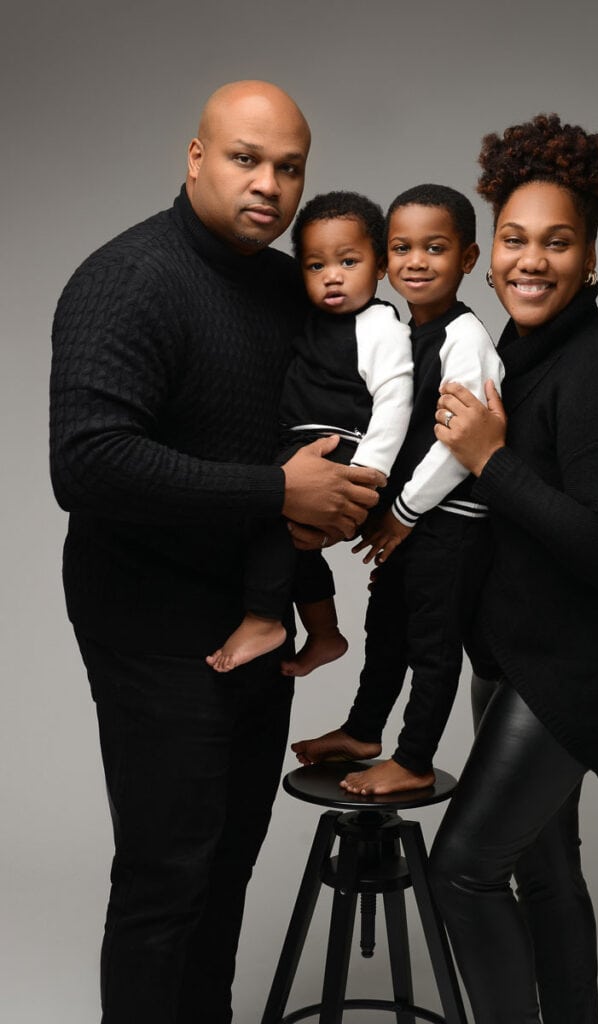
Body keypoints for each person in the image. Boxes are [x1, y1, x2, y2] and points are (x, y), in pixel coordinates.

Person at [49, 81, 385, 1024]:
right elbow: (86, 463)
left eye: (289, 167)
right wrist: (281, 489)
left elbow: (344, 409)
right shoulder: (128, 278)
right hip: (149, 619)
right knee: (170, 875)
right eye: (246, 159)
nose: (270, 186)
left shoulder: (291, 288)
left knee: (229, 866)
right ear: (195, 157)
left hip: (258, 612)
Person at [428, 114, 598, 1024]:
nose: (529, 261)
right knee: (543, 870)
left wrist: (491, 461)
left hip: (577, 669)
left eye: (556, 242)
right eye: (512, 239)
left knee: (460, 868)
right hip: (515, 657)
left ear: (587, 258)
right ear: (487, 252)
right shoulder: (513, 359)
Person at [292, 184, 504, 795]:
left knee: (433, 645)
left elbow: (460, 445)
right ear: (386, 260)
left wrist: (403, 512)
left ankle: (413, 759)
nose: (416, 262)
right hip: (413, 522)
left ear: (467, 259)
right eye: (402, 248)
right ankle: (364, 731)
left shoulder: (465, 337)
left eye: (434, 249)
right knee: (387, 628)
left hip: (451, 521)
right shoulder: (401, 331)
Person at [206, 191, 413, 675]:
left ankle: (263, 618)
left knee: (266, 514)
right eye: (316, 266)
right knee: (291, 541)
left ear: (380, 266)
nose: (333, 275)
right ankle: (324, 633)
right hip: (298, 441)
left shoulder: (380, 326)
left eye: (348, 260)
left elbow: (394, 400)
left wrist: (369, 473)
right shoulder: (312, 320)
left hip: (342, 447)